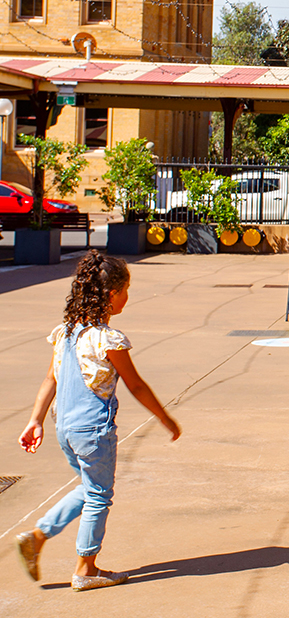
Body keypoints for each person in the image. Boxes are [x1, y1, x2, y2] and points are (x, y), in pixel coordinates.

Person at [15, 250, 181, 591]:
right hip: (93, 431)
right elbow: (135, 384)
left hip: (65, 430)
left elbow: (51, 379)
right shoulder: (108, 339)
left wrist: (36, 420)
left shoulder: (65, 333)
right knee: (100, 496)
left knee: (89, 488)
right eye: (126, 290)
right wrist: (165, 418)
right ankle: (86, 569)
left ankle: (38, 536)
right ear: (110, 294)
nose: (127, 297)